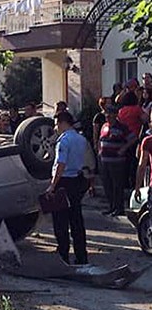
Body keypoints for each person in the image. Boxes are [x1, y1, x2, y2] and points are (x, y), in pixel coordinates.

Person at [45, 111, 89, 265]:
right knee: (76, 220)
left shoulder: (63, 141)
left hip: (63, 182)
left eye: (56, 124)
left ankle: (63, 256)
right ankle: (81, 256)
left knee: (60, 221)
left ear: (63, 122)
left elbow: (61, 165)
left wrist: (52, 186)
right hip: (76, 180)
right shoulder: (81, 139)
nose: (55, 127)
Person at [98, 106, 137, 217]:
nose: (107, 116)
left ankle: (119, 208)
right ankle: (111, 206)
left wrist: (123, 148)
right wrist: (100, 150)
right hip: (104, 160)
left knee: (117, 185)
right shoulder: (104, 126)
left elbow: (133, 138)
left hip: (117, 161)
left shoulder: (122, 127)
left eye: (110, 114)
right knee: (107, 185)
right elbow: (100, 140)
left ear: (115, 115)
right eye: (106, 114)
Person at [118, 91, 148, 187]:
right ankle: (133, 182)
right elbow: (145, 119)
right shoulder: (137, 109)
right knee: (134, 162)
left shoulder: (121, 111)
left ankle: (124, 182)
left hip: (123, 138)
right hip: (135, 138)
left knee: (125, 162)